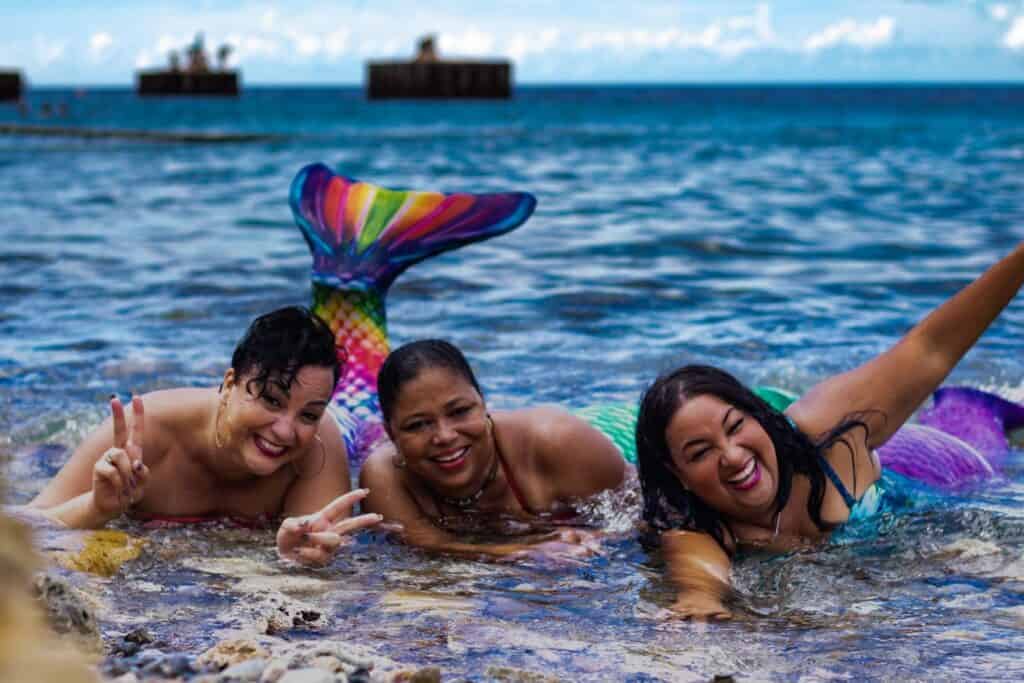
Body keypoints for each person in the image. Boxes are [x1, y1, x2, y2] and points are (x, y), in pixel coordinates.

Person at [635, 241, 1024, 619]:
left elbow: (930, 349)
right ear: (678, 474)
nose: (734, 456)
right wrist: (700, 599)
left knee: (985, 441)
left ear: (758, 415)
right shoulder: (698, 527)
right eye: (701, 452)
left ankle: (969, 404)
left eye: (736, 426)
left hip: (934, 463)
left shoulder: (823, 428)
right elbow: (697, 570)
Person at [28, 306, 381, 567]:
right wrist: (96, 507)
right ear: (229, 384)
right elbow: (22, 525)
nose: (286, 430)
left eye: (308, 415)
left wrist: (300, 556)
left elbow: (323, 552)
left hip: (351, 429)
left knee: (368, 418)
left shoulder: (319, 442)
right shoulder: (145, 433)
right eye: (271, 400)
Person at [360, 339, 628, 561]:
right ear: (390, 433)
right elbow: (424, 544)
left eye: (460, 411)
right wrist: (522, 553)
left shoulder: (560, 443)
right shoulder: (385, 475)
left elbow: (642, 519)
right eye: (418, 425)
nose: (444, 436)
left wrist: (598, 540)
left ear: (483, 404)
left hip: (615, 431)